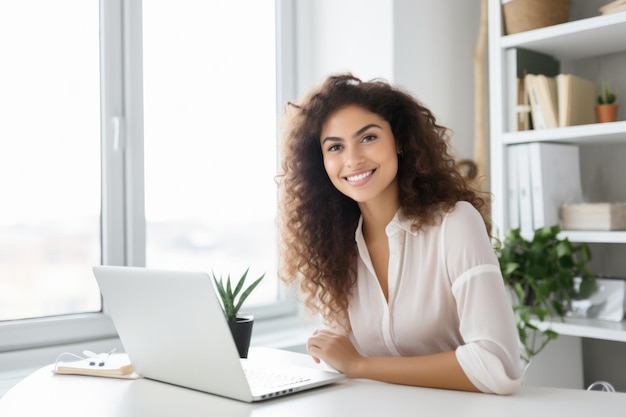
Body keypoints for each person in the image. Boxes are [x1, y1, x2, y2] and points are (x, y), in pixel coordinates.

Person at [276, 73, 522, 395]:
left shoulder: (456, 223)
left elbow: (497, 364)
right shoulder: (335, 248)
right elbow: (338, 358)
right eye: (335, 147)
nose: (352, 160)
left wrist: (361, 365)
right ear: (320, 163)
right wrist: (345, 361)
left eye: (368, 138)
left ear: (400, 141)